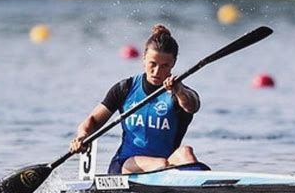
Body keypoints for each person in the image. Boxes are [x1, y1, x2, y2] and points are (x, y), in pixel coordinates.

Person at [69, 24, 201, 174]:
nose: (157, 71)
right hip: (126, 165)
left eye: (165, 66)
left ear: (173, 64)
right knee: (161, 163)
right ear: (143, 59)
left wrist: (179, 90)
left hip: (166, 165)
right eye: (153, 64)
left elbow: (192, 106)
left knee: (186, 152)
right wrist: (81, 137)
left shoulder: (180, 93)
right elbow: (92, 121)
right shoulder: (125, 88)